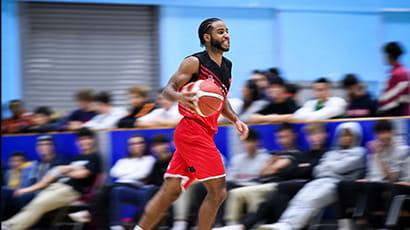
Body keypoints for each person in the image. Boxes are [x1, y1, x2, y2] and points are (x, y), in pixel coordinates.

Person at [133, 18, 248, 230]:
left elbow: (220, 98)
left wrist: (235, 119)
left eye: (227, 31)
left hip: (198, 133)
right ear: (207, 37)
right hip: (193, 131)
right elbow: (168, 89)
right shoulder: (194, 62)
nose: (226, 35)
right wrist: (178, 97)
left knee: (171, 190)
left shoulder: (227, 65)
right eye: (220, 32)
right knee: (218, 191)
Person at [217, 123, 328, 230]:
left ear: (294, 136)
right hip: (268, 183)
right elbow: (262, 172)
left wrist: (274, 165)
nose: (282, 140)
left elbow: (286, 171)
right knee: (234, 191)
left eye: (285, 136)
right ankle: (232, 224)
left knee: (243, 193)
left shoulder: (296, 153)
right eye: (279, 137)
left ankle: (245, 225)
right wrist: (275, 166)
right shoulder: (289, 153)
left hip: (278, 184)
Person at [260, 122, 366, 230]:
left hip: (337, 183)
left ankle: (291, 225)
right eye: (342, 135)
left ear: (355, 137)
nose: (345, 138)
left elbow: (341, 167)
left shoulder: (359, 152)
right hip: (320, 180)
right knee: (301, 197)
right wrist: (330, 168)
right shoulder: (332, 152)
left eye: (348, 135)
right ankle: (284, 222)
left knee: (313, 199)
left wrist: (328, 167)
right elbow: (317, 170)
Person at [2, 127, 102, 230]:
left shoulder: (95, 157)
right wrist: (26, 190)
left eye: (87, 139)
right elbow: (52, 175)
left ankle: (10, 226)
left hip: (72, 191)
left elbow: (82, 174)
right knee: (32, 204)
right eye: (81, 139)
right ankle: (9, 225)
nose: (84, 142)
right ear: (77, 142)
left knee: (38, 205)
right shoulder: (74, 158)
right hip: (56, 186)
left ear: (92, 140)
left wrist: (65, 170)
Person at [69, 134, 156, 230]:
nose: (136, 145)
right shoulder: (124, 160)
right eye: (132, 143)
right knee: (112, 192)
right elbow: (114, 172)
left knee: (107, 189)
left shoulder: (149, 159)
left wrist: (125, 172)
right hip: (118, 186)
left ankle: (89, 212)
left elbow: (142, 174)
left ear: (145, 145)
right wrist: (133, 172)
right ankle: (112, 226)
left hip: (136, 187)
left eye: (139, 143)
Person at [337, 120, 409, 229]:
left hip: (398, 184)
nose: (383, 136)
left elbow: (392, 178)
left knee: (374, 186)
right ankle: (345, 224)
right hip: (377, 184)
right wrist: (365, 180)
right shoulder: (375, 149)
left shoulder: (402, 151)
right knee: (343, 184)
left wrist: (378, 155)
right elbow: (372, 175)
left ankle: (364, 222)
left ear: (392, 133)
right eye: (379, 133)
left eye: (386, 132)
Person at [378, 42, 410, 116]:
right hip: (392, 115)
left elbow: (402, 99)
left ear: (390, 55)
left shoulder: (400, 73)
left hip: (399, 117)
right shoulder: (394, 72)